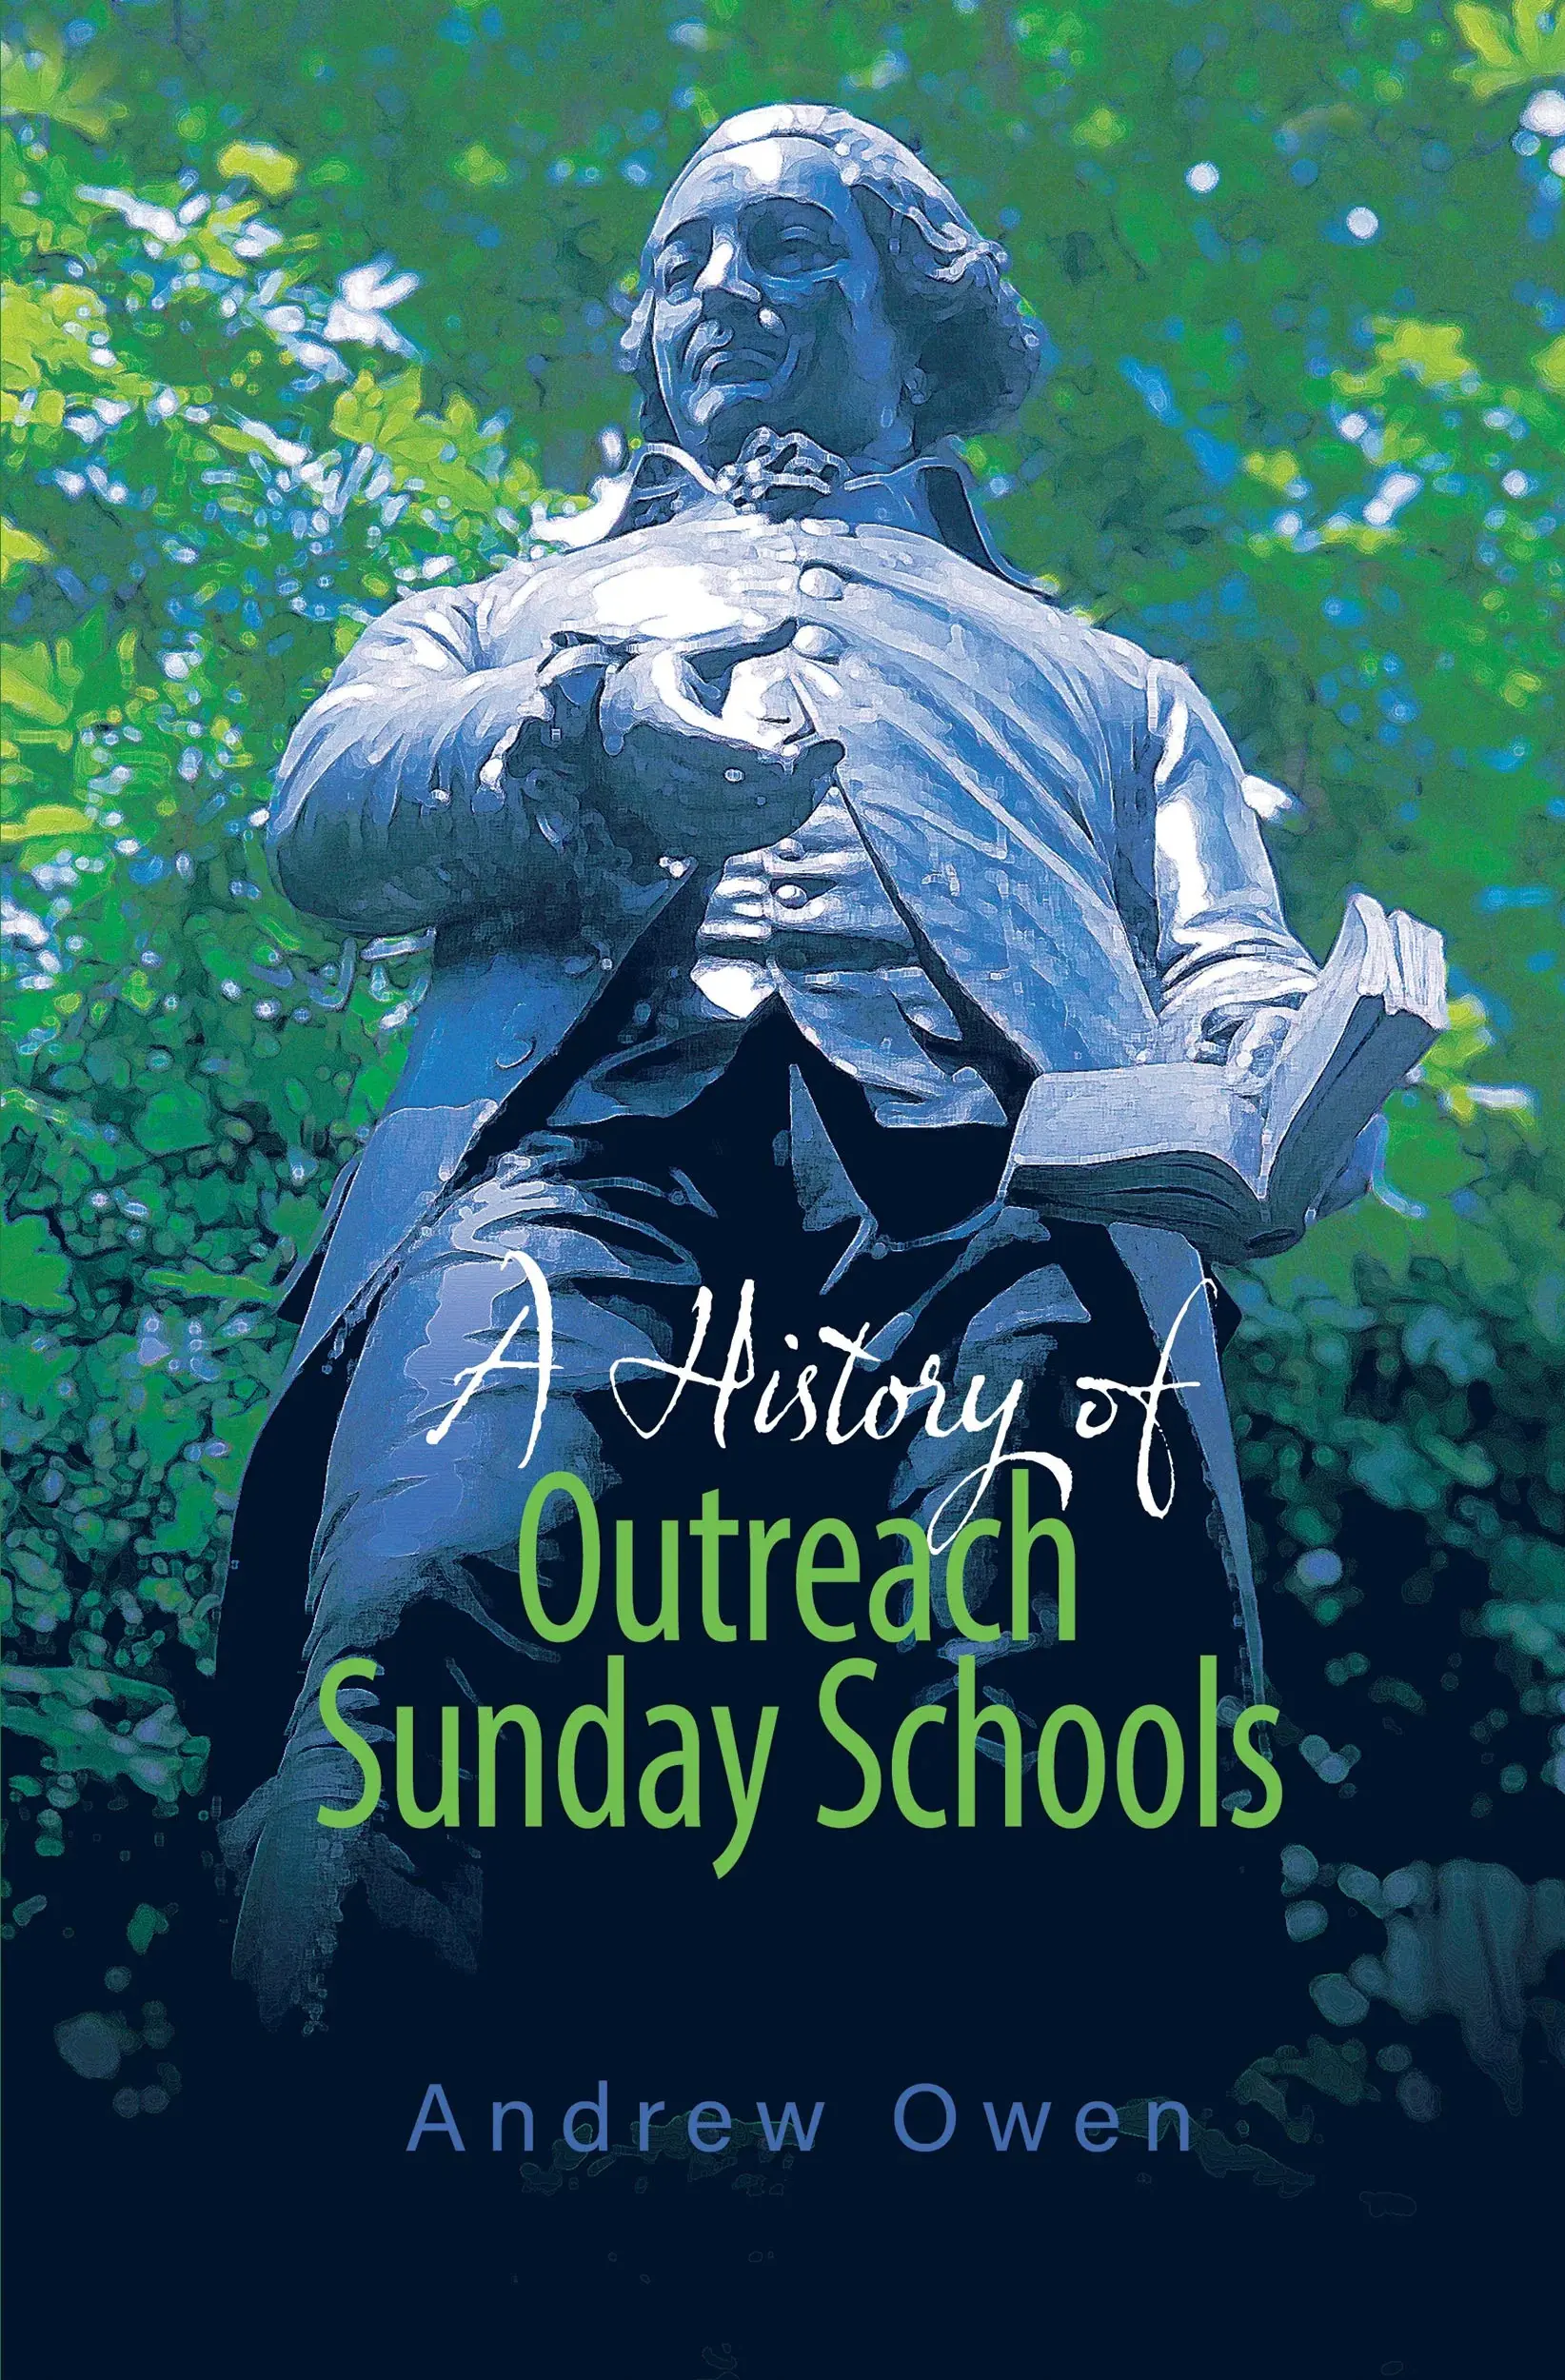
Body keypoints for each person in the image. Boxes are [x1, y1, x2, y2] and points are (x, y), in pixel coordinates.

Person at [213, 103, 1329, 2047]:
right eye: (678, 265)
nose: (715, 289)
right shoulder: (497, 614)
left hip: (1014, 1198)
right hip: (555, 1169)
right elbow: (323, 815)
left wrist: (1269, 1062)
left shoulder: (1108, 681)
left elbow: (1223, 953)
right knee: (416, 1620)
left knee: (1034, 1672)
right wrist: (574, 730)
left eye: (783, 249)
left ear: (915, 317)